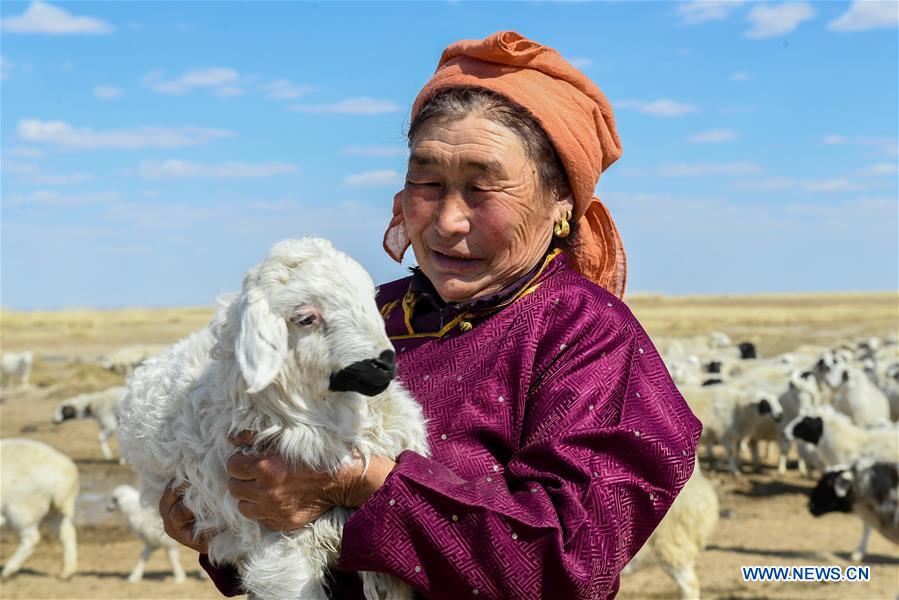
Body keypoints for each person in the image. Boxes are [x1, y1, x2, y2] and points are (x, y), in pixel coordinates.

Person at [159, 31, 702, 599]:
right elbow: (280, 494)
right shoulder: (373, 318)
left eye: (483, 188)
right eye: (427, 182)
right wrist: (222, 514)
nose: (448, 222)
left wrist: (364, 485)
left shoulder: (586, 336)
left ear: (561, 202)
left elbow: (570, 560)